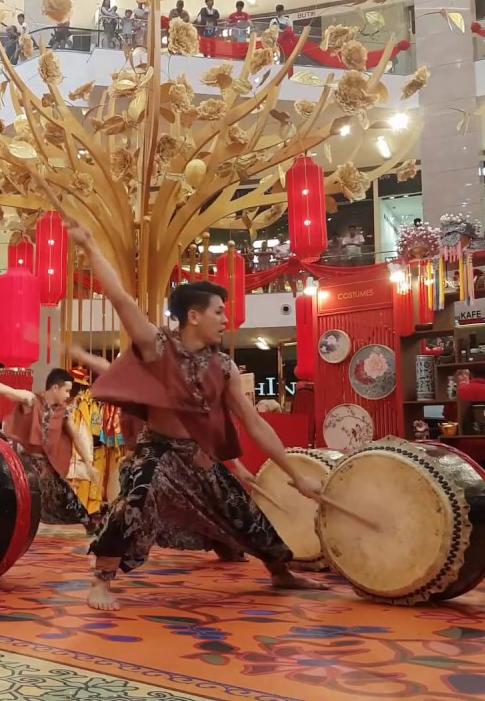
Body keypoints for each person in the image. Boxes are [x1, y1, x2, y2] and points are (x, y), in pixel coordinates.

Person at [63, 216, 325, 610]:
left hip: (198, 455)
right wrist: (90, 245)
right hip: (157, 452)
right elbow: (121, 299)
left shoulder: (224, 368)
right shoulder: (157, 346)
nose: (225, 319)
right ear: (194, 316)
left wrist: (296, 475)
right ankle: (102, 579)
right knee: (137, 498)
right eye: (218, 311)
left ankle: (280, 571)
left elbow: (254, 423)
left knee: (241, 509)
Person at [70, 346, 248, 563]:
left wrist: (233, 463)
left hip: (189, 457)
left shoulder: (179, 383)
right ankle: (111, 555)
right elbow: (110, 372)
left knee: (219, 504)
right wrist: (86, 357)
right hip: (155, 457)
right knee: (137, 499)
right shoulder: (143, 385)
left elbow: (212, 427)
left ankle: (229, 545)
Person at [0, 365, 102, 533]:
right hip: (27, 464)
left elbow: (75, 435)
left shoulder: (63, 411)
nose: (68, 395)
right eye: (66, 391)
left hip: (47, 466)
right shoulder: (31, 400)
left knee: (67, 497)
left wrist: (88, 463)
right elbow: (3, 389)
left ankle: (90, 526)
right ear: (55, 388)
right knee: (22, 498)